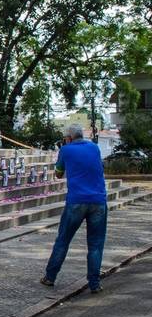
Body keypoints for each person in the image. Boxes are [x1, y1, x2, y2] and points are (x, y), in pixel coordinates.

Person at [41, 124, 108, 293]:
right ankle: (94, 283)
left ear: (69, 138)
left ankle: (50, 277)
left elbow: (58, 173)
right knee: (96, 244)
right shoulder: (94, 147)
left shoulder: (66, 150)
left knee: (63, 240)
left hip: (77, 201)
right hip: (98, 200)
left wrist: (61, 158)